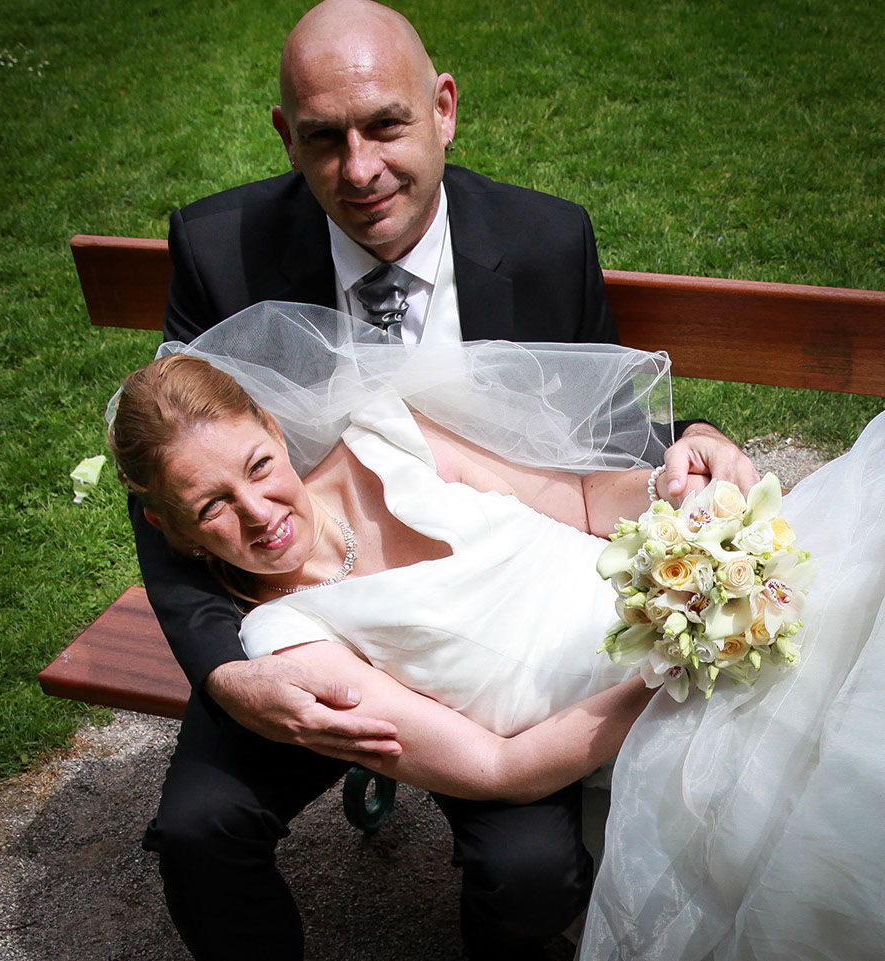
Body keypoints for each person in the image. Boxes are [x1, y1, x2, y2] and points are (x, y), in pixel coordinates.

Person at [134, 2, 759, 958]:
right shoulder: (224, 252)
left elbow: (592, 429)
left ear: (444, 108)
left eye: (385, 124)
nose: (359, 169)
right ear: (284, 138)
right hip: (304, 613)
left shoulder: (544, 239)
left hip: (488, 628)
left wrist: (699, 434)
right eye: (322, 139)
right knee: (198, 827)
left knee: (529, 868)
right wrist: (227, 671)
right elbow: (179, 489)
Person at [117, 305, 885, 961]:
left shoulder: (389, 434)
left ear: (275, 430)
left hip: (704, 603)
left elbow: (584, 503)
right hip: (652, 708)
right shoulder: (286, 637)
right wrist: (674, 663)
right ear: (169, 527)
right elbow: (495, 766)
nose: (257, 510)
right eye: (211, 504)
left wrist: (676, 497)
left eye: (256, 465)